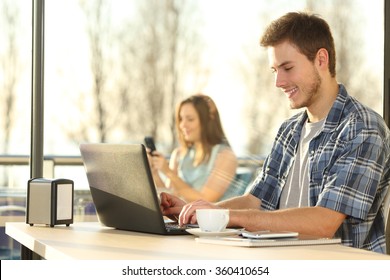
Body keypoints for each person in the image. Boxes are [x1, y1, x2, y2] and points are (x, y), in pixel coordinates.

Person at [159, 12, 390, 253]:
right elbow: (255, 201)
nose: (278, 82)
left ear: (321, 59)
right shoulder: (289, 130)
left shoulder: (362, 127)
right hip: (279, 261)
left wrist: (230, 216)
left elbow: (325, 222)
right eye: (274, 70)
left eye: (287, 68)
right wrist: (200, 212)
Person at [149, 94, 240, 202]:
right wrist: (154, 173)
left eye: (190, 119)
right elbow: (169, 196)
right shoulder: (179, 154)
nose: (182, 125)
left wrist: (168, 172)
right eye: (181, 119)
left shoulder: (226, 156)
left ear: (207, 121)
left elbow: (206, 201)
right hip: (180, 218)